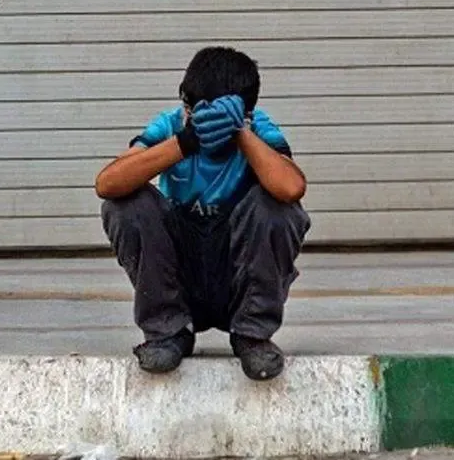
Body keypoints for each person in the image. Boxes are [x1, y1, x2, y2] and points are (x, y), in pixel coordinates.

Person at [94, 46, 310, 380]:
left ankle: (252, 334)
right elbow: (108, 183)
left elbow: (291, 188)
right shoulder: (171, 125)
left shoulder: (259, 128)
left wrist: (240, 133)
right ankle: (167, 330)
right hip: (180, 268)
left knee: (277, 209)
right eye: (193, 110)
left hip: (236, 272)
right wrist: (185, 142)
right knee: (127, 204)